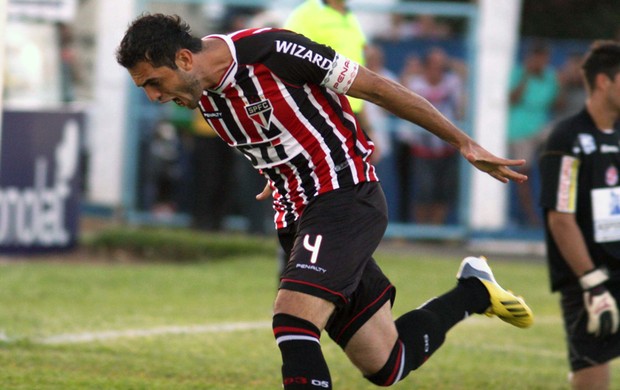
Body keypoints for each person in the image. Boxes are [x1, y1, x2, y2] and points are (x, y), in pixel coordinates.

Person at [117, 14, 533, 389]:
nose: (154, 96)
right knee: (388, 363)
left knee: (293, 321)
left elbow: (378, 89)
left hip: (344, 197)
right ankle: (474, 292)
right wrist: (274, 170)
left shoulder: (274, 50)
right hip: (296, 218)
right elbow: (272, 130)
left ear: (185, 60)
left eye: (154, 82)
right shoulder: (199, 92)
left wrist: (464, 142)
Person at [539, 41, 620, 390]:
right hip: (590, 278)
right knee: (592, 375)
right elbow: (560, 218)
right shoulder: (568, 138)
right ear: (605, 82)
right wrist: (592, 283)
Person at [399, 47, 466, 224]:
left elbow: (467, 73)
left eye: (441, 65)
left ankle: (436, 231)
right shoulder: (416, 84)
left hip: (447, 147)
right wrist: (409, 70)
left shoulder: (452, 82)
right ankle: (422, 230)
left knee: (443, 192)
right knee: (424, 191)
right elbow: (397, 96)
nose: (437, 69)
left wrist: (449, 61)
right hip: (422, 147)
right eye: (433, 64)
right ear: (425, 66)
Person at [508, 41, 559, 227]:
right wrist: (526, 76)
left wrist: (560, 82)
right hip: (519, 130)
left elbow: (558, 104)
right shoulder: (518, 73)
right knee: (524, 174)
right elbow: (511, 100)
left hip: (542, 129)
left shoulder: (551, 76)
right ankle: (531, 217)